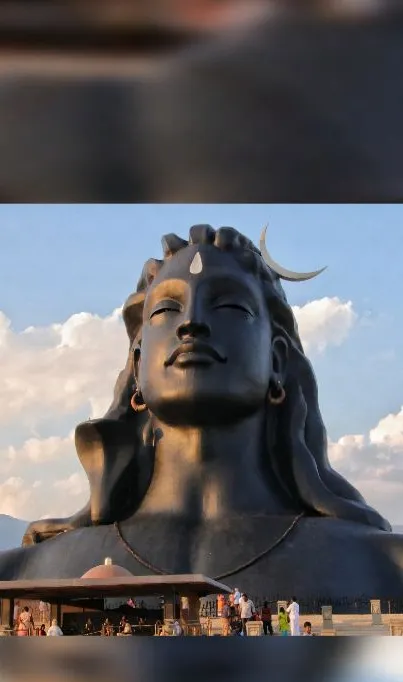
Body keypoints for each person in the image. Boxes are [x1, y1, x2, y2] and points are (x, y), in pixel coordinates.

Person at [2, 224, 403, 600]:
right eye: (166, 310)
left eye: (229, 305)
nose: (191, 324)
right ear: (137, 363)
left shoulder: (386, 565)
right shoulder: (20, 571)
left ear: (277, 360)